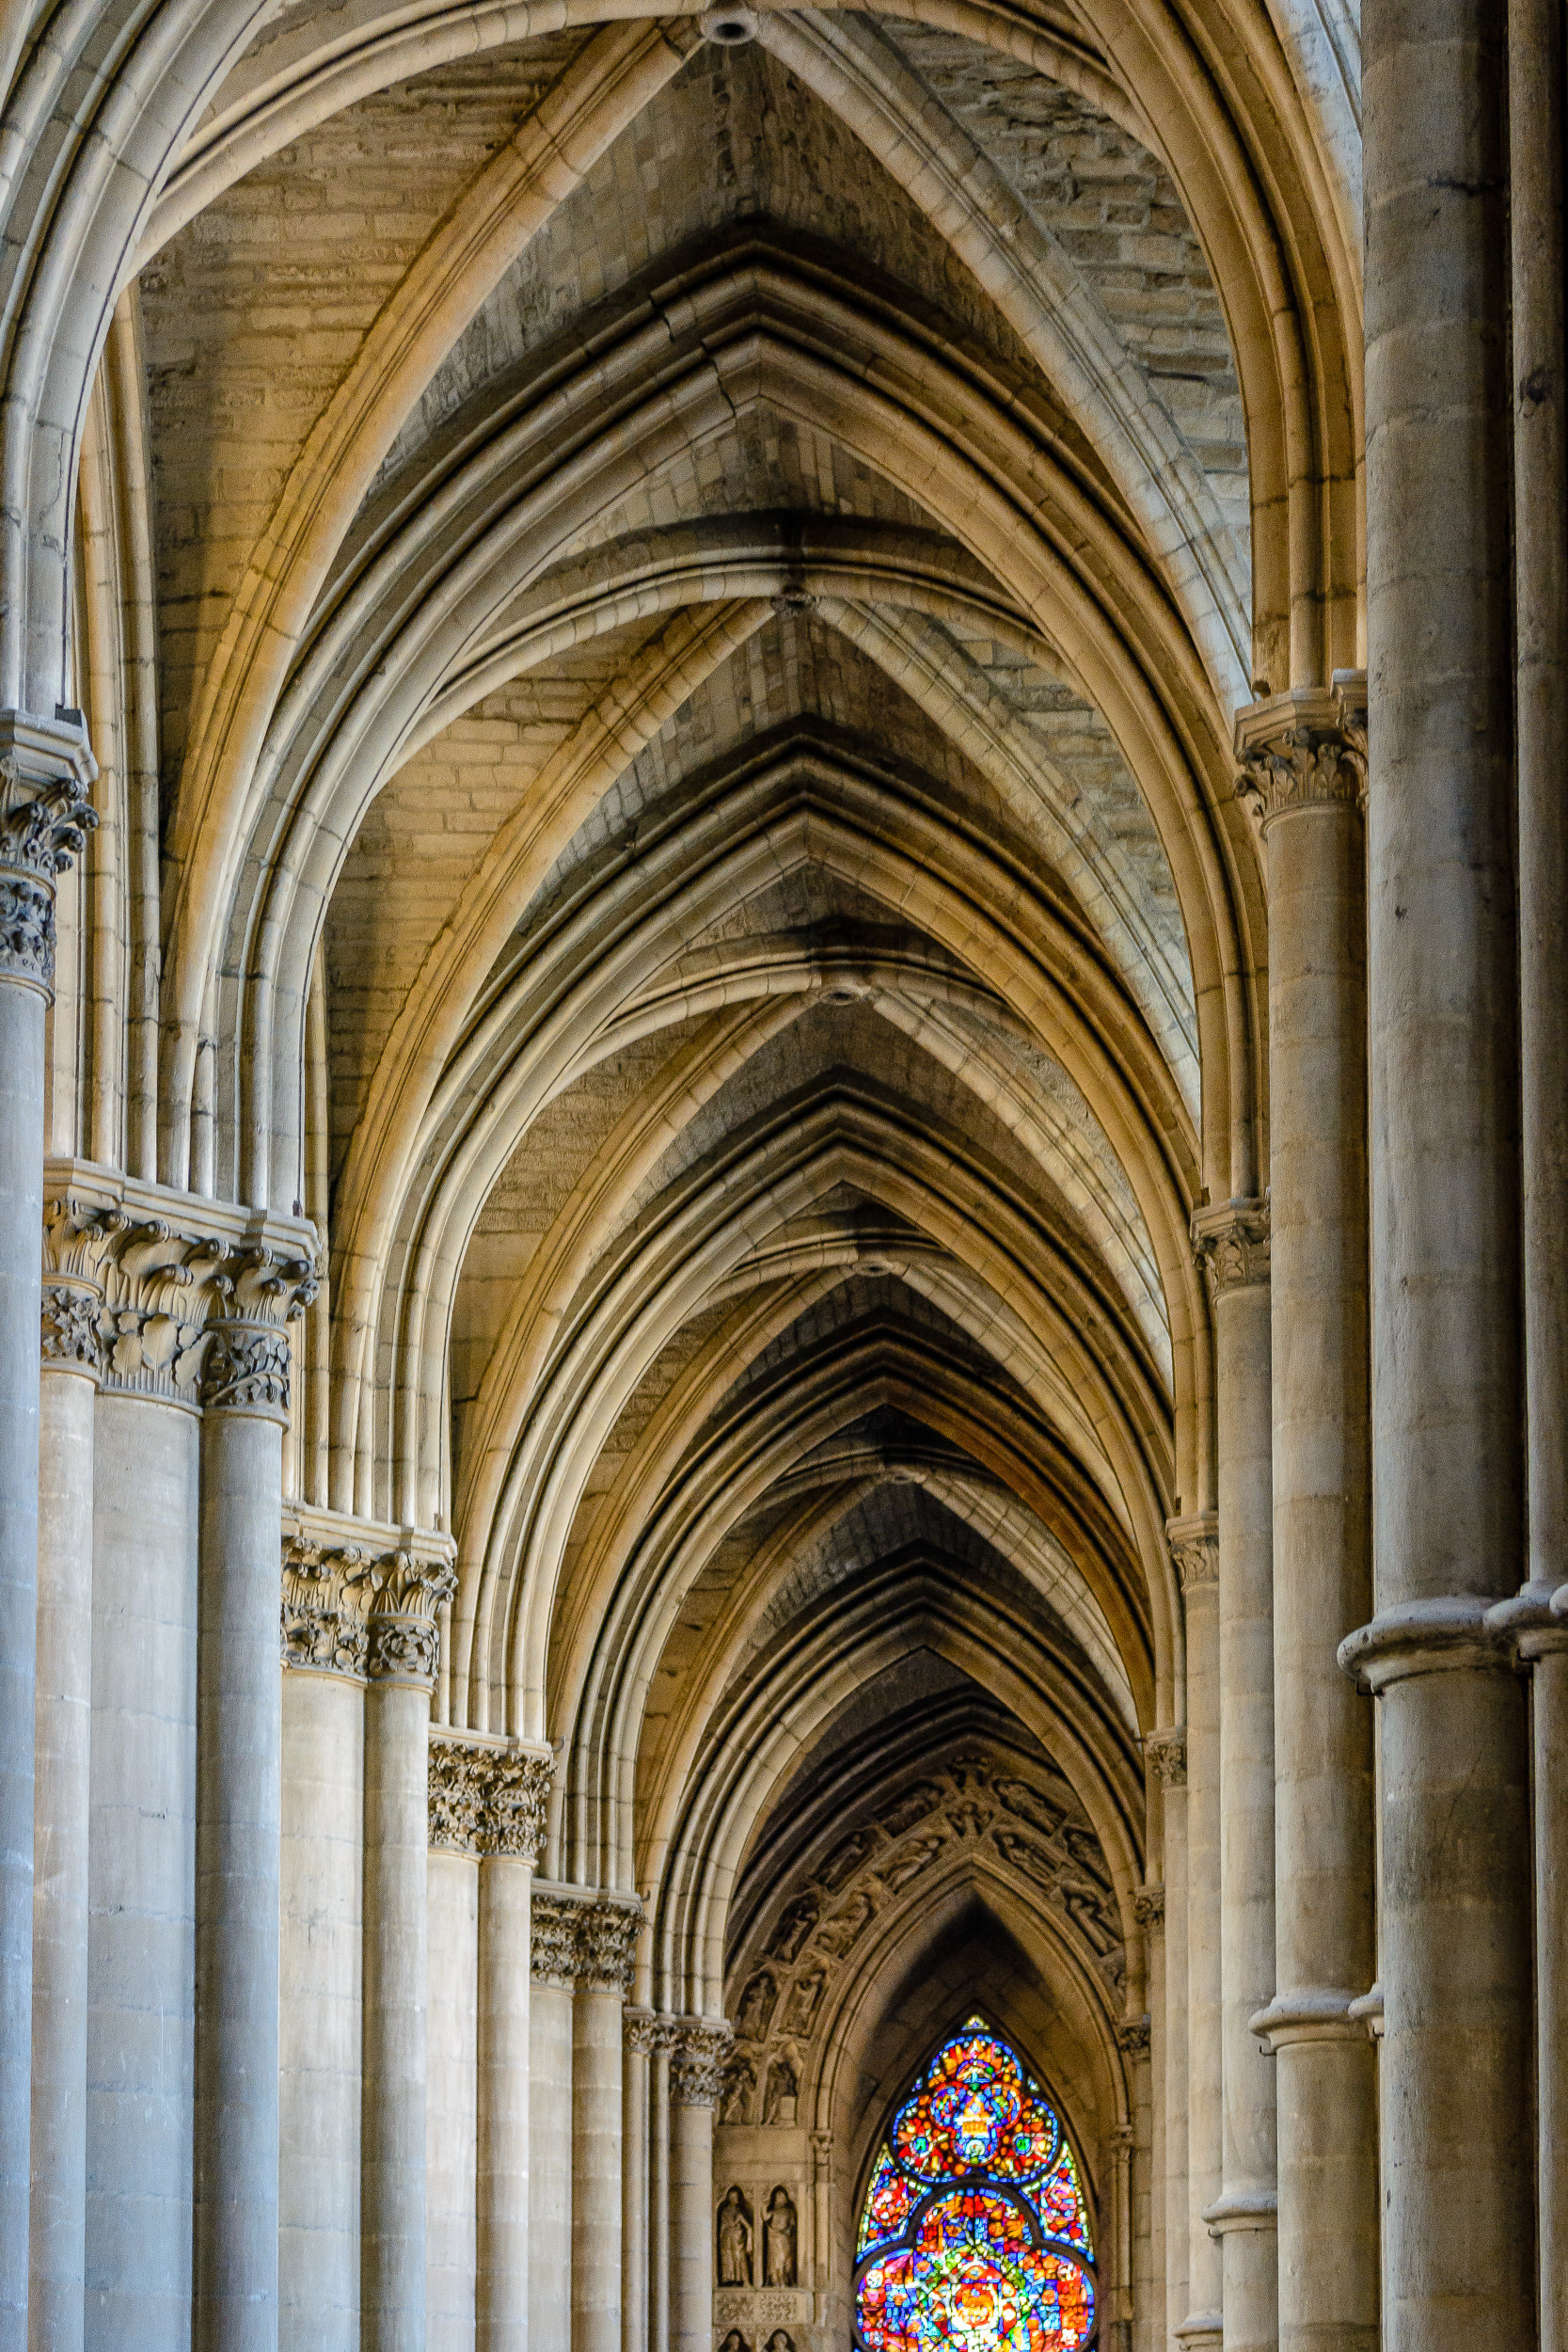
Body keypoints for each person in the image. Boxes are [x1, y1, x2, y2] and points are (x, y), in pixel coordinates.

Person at [717, 2185, 753, 2285]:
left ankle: (744, 2280)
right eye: (731, 2197)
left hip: (738, 2239)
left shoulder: (740, 2212)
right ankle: (731, 2281)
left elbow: (748, 2227)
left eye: (735, 2197)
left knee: (739, 2257)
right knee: (729, 2258)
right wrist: (720, 2237)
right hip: (727, 2238)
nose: (734, 2199)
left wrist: (748, 2240)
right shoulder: (725, 2211)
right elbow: (723, 2226)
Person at [763, 2186, 798, 2286]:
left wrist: (786, 2231)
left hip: (784, 2237)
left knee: (784, 2258)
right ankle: (775, 2280)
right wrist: (762, 2207)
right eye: (777, 2196)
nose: (779, 2198)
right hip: (773, 2236)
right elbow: (765, 2217)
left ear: (786, 2198)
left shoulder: (789, 2211)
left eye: (782, 2196)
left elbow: (791, 2225)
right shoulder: (773, 2211)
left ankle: (784, 2279)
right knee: (775, 2259)